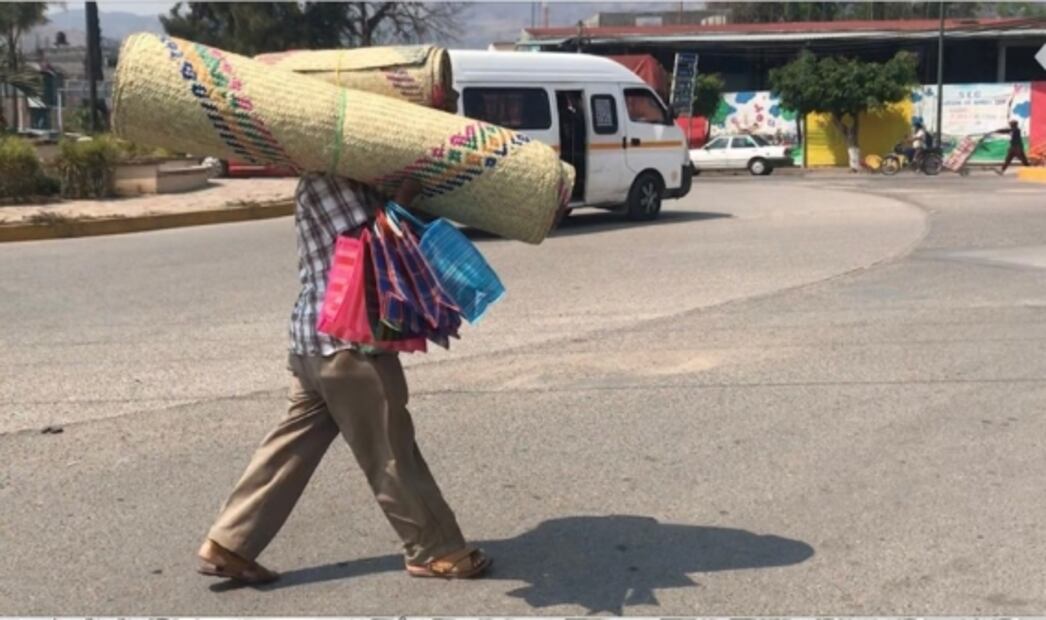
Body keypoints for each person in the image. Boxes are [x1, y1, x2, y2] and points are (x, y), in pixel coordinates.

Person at [196, 174, 491, 584]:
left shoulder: (337, 181)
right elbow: (372, 246)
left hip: (313, 341)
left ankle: (229, 543)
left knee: (289, 449)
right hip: (348, 341)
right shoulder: (329, 181)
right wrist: (405, 194)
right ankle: (435, 549)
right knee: (390, 447)